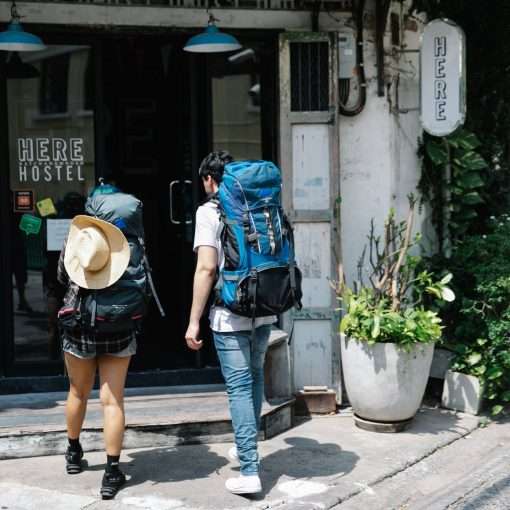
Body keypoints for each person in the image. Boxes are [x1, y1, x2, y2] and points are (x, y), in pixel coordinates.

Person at [185, 151, 276, 495]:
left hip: (229, 313)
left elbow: (207, 268)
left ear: (210, 180)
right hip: (265, 308)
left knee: (239, 386)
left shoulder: (209, 211)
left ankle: (250, 469)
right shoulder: (261, 207)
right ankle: (244, 448)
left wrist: (194, 321)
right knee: (253, 379)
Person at [57, 184, 146, 500]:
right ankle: (111, 472)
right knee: (113, 400)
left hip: (80, 325)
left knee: (77, 392)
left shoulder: (79, 238)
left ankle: (73, 452)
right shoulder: (130, 242)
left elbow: (62, 276)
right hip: (119, 325)